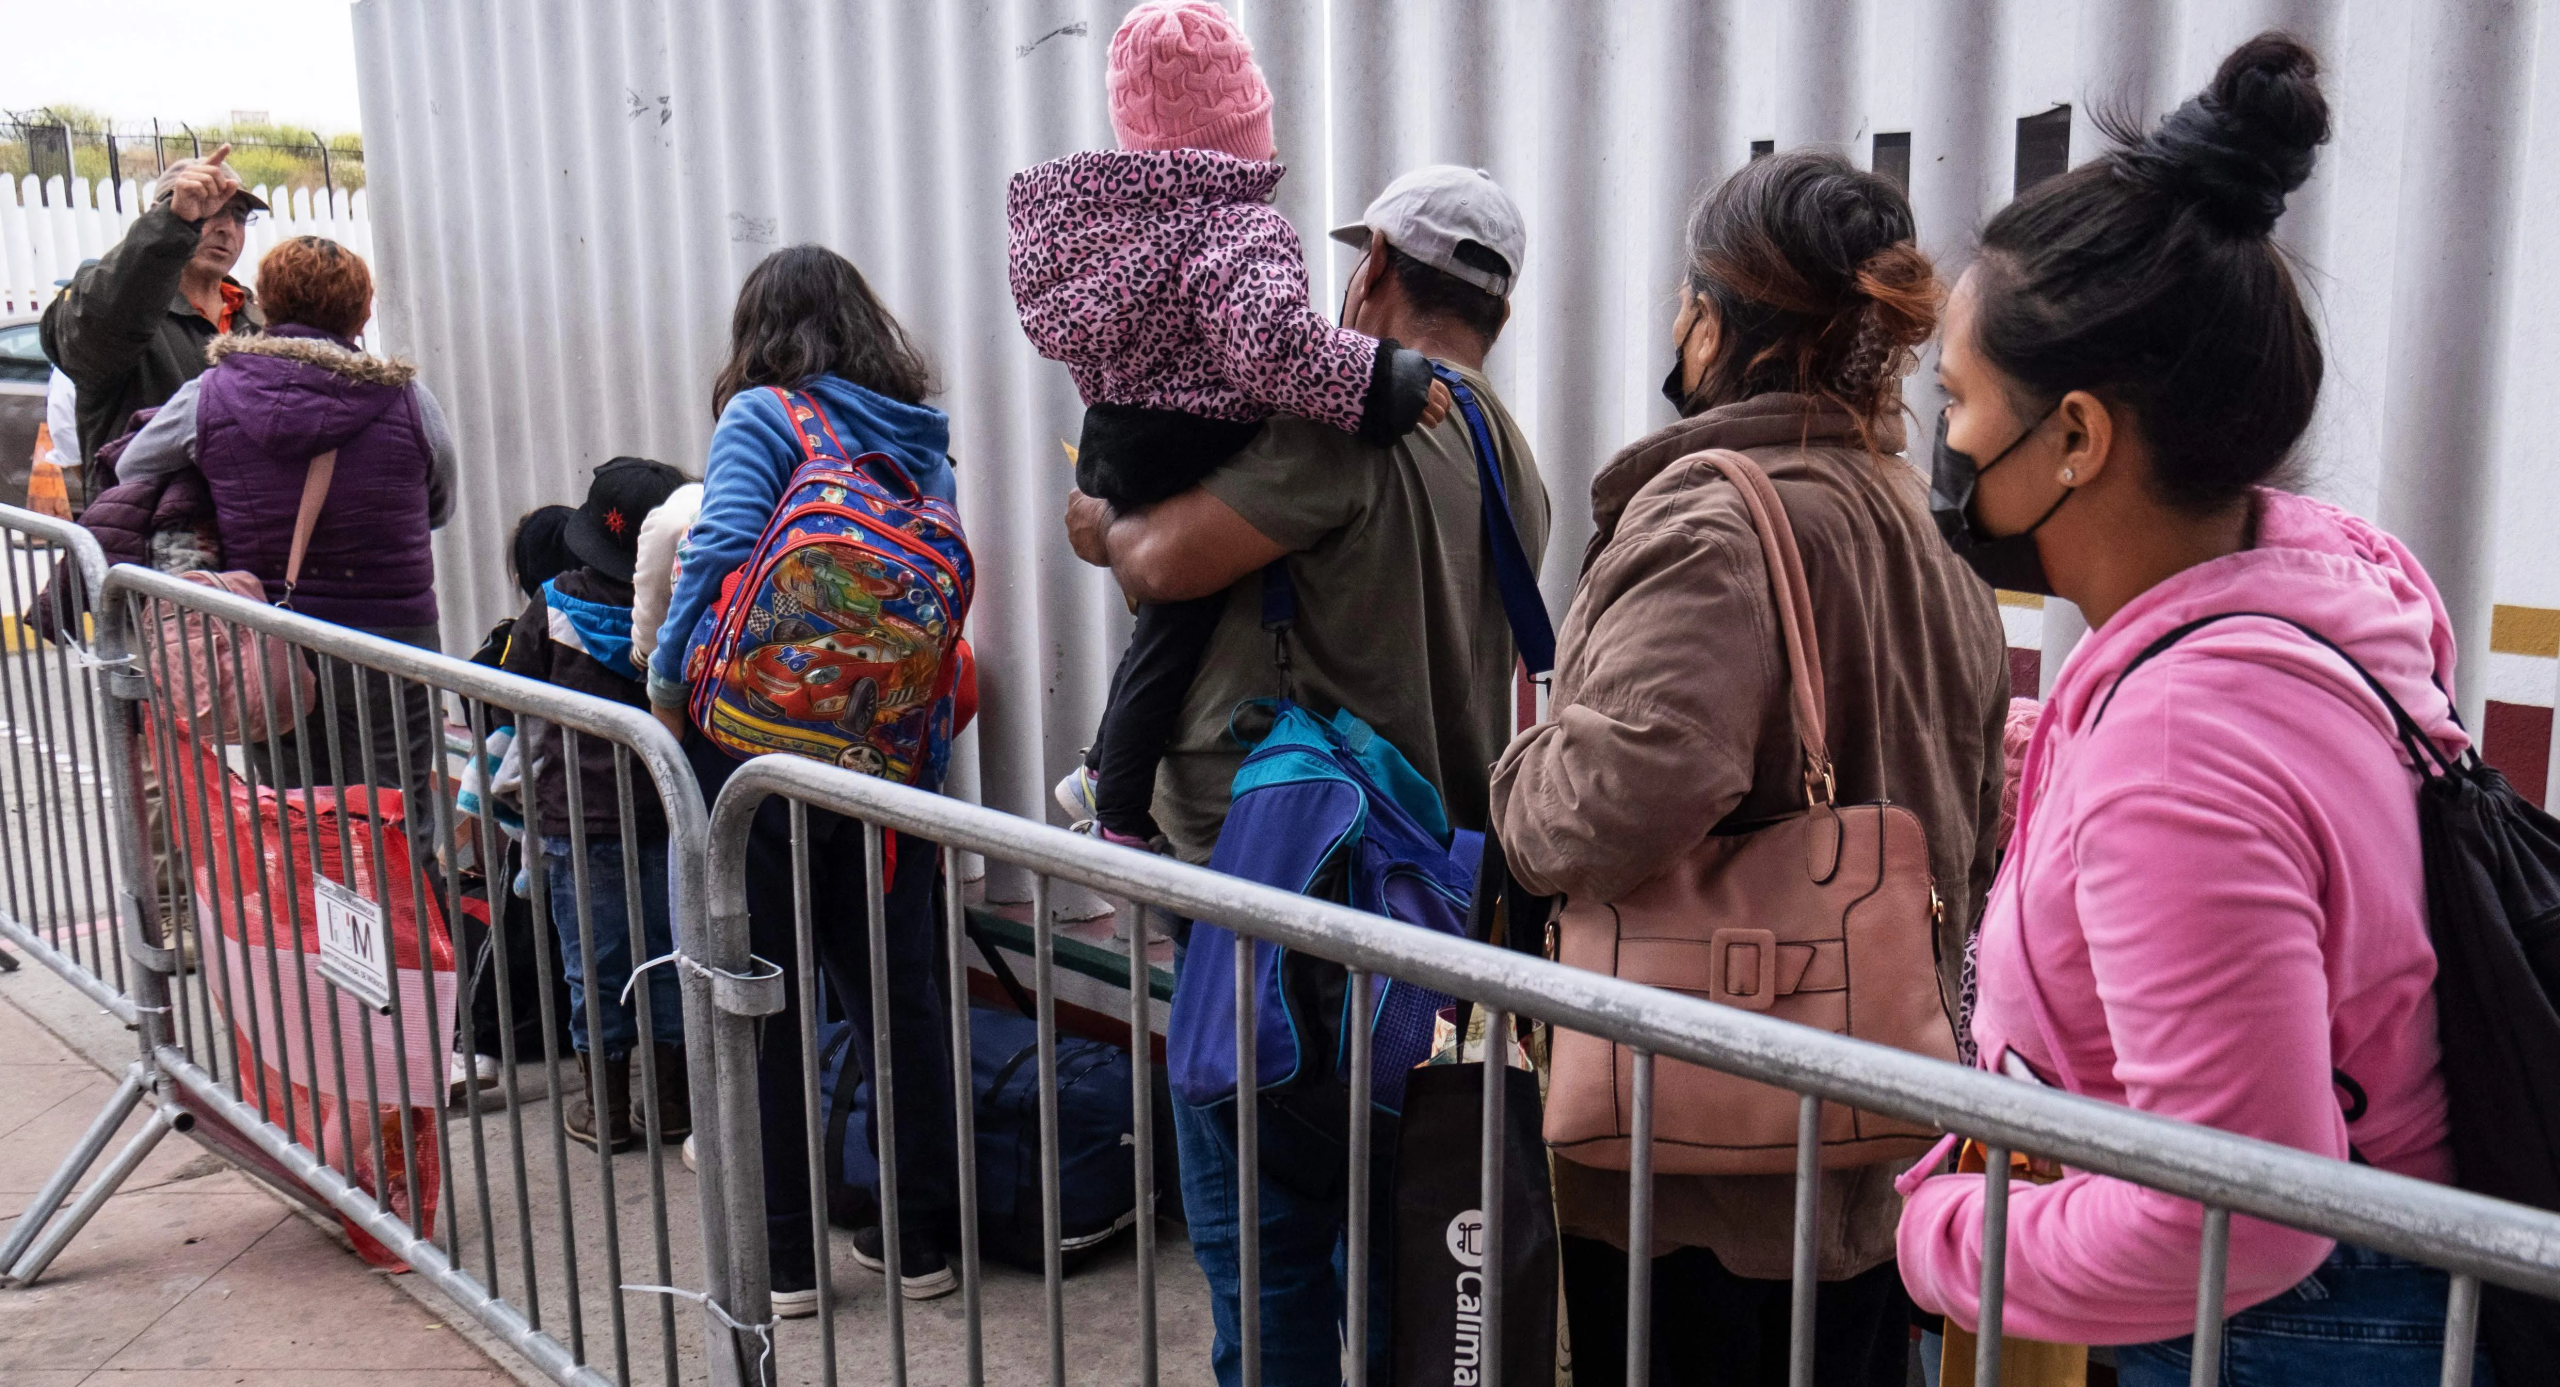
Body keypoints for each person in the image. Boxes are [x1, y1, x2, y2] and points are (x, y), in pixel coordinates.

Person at [1893, 34, 2484, 1386]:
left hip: (2295, 1333)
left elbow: (2241, 1212)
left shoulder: (2183, 741)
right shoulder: (2316, 593)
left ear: (2080, 438)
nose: (1951, 443)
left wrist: (1939, 1236)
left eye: (1965, 403)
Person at [1488, 149, 2006, 1387]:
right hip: (1871, 1142)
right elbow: (1974, 826)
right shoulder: (1920, 536)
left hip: (1703, 1174)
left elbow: (1604, 809)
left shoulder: (1713, 523)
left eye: (1684, 302)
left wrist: (1514, 773)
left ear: (1712, 324)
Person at [1065, 164, 1544, 1386]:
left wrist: (1097, 523)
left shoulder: (1349, 422)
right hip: (1419, 906)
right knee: (1393, 1257)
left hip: (1271, 894)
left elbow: (1163, 561)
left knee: (1267, 1267)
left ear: (1374, 266)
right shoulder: (1505, 451)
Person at [1009, 0, 1449, 851]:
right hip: (1198, 431)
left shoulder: (1111, 230)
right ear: (1241, 130)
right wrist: (1374, 379)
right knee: (1177, 628)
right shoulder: (1238, 225)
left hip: (1122, 436)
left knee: (1160, 631)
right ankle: (1123, 810)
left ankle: (1103, 762)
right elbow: (1272, 346)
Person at [649, 243, 962, 1313]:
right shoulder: (921, 435)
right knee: (899, 997)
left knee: (765, 996)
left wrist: (665, 675)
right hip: (895, 758)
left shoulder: (766, 417)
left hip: (762, 752)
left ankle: (785, 1261)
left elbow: (721, 545)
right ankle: (920, 1242)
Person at [114, 235, 457, 852]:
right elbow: (441, 505)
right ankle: (406, 940)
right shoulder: (408, 400)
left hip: (273, 636)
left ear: (266, 305)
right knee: (397, 806)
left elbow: (133, 466)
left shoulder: (211, 394)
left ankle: (315, 942)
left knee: (294, 810)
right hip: (393, 641)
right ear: (362, 313)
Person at [500, 457, 690, 1151]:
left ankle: (605, 1109)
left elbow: (511, 689)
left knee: (593, 962)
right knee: (669, 954)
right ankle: (669, 1102)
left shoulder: (552, 604)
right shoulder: (683, 605)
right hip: (667, 813)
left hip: (574, 818)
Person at [42, 146, 265, 480]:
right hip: (149, 529)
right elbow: (101, 321)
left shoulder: (259, 322)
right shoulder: (120, 312)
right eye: (210, 209)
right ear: (159, 213)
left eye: (238, 215)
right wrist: (175, 225)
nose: (227, 227)